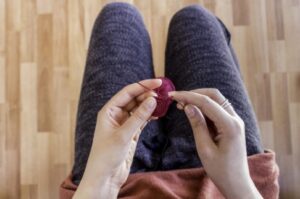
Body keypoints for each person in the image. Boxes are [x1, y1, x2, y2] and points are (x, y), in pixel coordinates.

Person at [60, 3, 279, 199]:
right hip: (225, 182)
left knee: (117, 16)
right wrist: (239, 185)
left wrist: (100, 183)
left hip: (115, 186)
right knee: (194, 19)